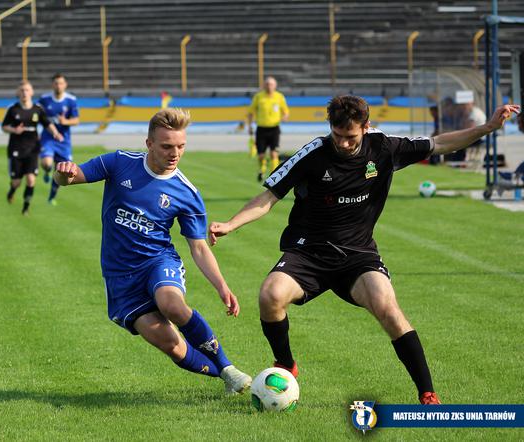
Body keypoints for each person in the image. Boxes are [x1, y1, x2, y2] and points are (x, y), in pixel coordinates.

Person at [209, 95, 520, 404]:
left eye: (350, 136)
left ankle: (427, 393)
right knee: (270, 296)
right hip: (308, 251)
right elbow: (268, 198)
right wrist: (231, 225)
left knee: (387, 306)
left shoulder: (383, 147)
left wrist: (487, 127)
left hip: (357, 255)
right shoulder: (312, 155)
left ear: (366, 127)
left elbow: (440, 144)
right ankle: (286, 364)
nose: (343, 143)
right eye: (337, 135)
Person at [53, 108, 252, 394]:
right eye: (167, 146)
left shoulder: (187, 193)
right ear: (149, 144)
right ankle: (225, 376)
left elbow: (198, 246)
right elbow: (69, 179)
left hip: (158, 262)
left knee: (171, 304)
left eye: (181, 146)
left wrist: (222, 286)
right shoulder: (119, 163)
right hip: (119, 276)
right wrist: (63, 173)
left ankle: (229, 368)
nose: (175, 153)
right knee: (172, 346)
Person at [1, 81, 63, 215]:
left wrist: (55, 133)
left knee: (31, 179)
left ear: (32, 92)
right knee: (16, 182)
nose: (24, 93)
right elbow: (4, 127)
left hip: (32, 149)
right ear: (18, 93)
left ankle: (26, 207)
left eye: (27, 90)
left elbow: (47, 124)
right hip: (16, 149)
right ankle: (12, 191)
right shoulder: (13, 109)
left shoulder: (37, 109)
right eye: (22, 90)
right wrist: (13, 129)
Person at [38, 73, 79, 205]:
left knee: (63, 171)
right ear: (52, 85)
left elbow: (76, 120)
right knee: (47, 163)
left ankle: (51, 197)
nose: (58, 86)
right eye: (56, 83)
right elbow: (36, 114)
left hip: (64, 141)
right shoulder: (44, 99)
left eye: (61, 83)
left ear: (65, 85)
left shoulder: (71, 100)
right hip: (48, 137)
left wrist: (65, 121)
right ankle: (46, 171)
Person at [247, 76, 289, 182]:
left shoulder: (279, 97)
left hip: (274, 129)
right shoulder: (259, 97)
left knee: (274, 153)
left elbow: (286, 111)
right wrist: (250, 126)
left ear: (275, 86)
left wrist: (284, 117)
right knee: (261, 155)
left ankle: (274, 175)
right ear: (264, 85)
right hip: (261, 129)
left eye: (271, 84)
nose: (269, 86)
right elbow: (251, 112)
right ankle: (262, 168)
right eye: (267, 84)